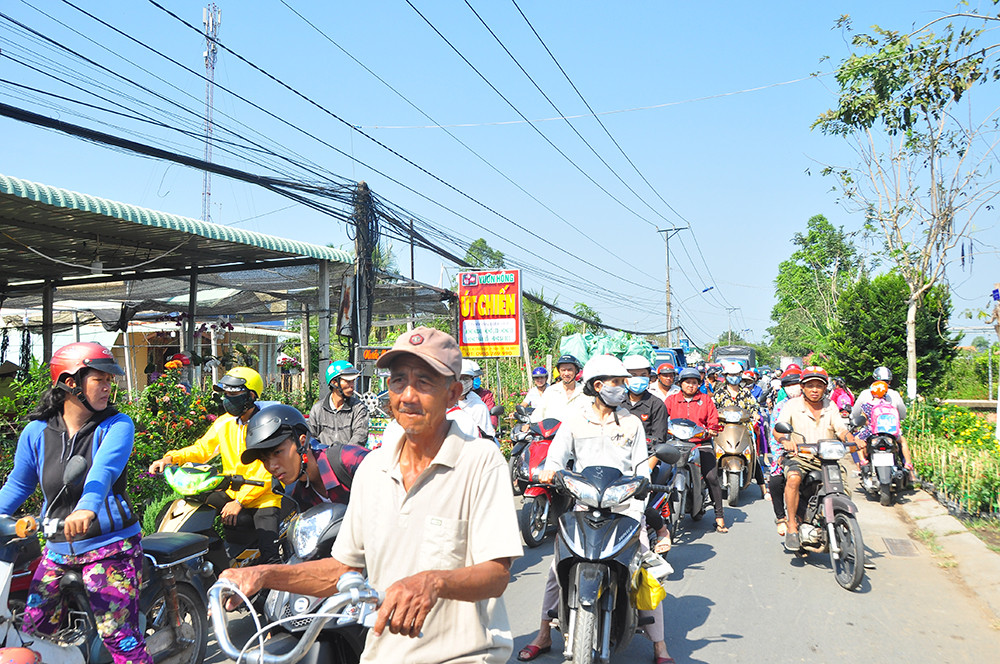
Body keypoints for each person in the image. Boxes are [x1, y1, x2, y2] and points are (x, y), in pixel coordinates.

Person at [218, 327, 522, 663]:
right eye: (398, 381)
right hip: (381, 653)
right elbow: (341, 570)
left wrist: (435, 582)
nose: (407, 395)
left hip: (463, 655)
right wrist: (263, 575)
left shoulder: (480, 461)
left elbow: (496, 575)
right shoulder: (374, 469)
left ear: (451, 395)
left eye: (424, 382)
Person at [0, 342, 153, 664]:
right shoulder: (35, 432)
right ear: (71, 382)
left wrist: (87, 508)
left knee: (118, 636)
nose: (109, 387)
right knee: (33, 626)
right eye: (100, 379)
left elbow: (103, 471)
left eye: (110, 381)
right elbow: (19, 483)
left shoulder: (117, 425)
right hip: (57, 548)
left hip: (110, 547)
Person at [519, 355, 673, 664]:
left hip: (625, 507)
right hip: (584, 505)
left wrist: (642, 487)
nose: (623, 388)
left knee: (644, 571)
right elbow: (556, 457)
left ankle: (660, 646)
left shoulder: (631, 423)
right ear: (599, 385)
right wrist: (551, 472)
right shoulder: (575, 421)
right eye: (617, 382)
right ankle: (543, 633)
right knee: (555, 571)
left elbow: (642, 467)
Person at [149, 367, 282, 564]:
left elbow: (269, 471)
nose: (227, 399)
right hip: (232, 489)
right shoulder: (224, 423)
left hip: (263, 496)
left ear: (251, 395)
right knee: (194, 504)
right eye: (225, 394)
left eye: (233, 394)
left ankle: (272, 584)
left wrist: (240, 502)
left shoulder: (266, 423)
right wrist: (170, 459)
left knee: (269, 550)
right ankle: (218, 560)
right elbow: (202, 450)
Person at [775, 366, 858, 549]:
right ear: (802, 387)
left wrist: (852, 439)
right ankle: (792, 526)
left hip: (827, 459)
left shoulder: (831, 406)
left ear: (824, 388)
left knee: (843, 489)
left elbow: (841, 429)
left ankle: (844, 529)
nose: (814, 390)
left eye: (818, 386)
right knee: (793, 478)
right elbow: (777, 429)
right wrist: (785, 440)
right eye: (810, 385)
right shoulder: (792, 406)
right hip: (799, 456)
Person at [243, 403, 369, 509]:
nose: (271, 466)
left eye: (277, 452)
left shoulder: (351, 460)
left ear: (302, 442)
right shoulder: (299, 496)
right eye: (264, 460)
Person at [664, 367, 727, 533]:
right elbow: (663, 417)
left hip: (701, 443)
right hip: (676, 443)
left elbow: (713, 420)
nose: (691, 386)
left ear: (699, 384)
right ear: (680, 384)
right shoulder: (671, 400)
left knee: (712, 476)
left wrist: (711, 429)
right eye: (687, 382)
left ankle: (719, 516)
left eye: (694, 382)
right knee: (661, 474)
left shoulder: (705, 400)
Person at [713, 361, 768, 500]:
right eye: (731, 375)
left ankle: (763, 489)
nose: (734, 377)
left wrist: (756, 414)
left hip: (743, 428)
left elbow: (754, 407)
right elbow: (712, 409)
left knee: (753, 454)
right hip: (722, 429)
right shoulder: (719, 393)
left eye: (736, 374)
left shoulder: (746, 394)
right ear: (726, 376)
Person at [855, 380, 915, 481]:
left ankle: (862, 461)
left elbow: (864, 419)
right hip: (889, 431)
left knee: (857, 439)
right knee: (903, 441)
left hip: (872, 431)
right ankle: (908, 463)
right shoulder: (889, 405)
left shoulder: (867, 405)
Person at [766, 368, 802, 536]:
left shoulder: (818, 404)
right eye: (790, 384)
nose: (794, 387)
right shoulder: (781, 406)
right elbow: (776, 433)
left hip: (812, 452)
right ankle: (781, 517)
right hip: (787, 453)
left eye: (797, 383)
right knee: (775, 480)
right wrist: (780, 453)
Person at [308, 360, 369, 448]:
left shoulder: (359, 408)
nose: (352, 385)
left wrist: (343, 454)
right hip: (323, 459)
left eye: (353, 381)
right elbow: (310, 437)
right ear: (334, 382)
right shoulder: (317, 409)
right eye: (348, 381)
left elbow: (360, 436)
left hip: (349, 459)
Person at [535, 354, 586, 422]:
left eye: (570, 370)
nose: (566, 373)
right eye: (563, 370)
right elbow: (538, 413)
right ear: (559, 371)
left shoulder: (584, 391)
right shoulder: (550, 391)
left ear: (576, 371)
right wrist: (528, 424)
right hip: (553, 432)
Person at [458, 359, 495, 438]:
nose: (462, 383)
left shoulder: (478, 407)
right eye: (458, 378)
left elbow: (487, 436)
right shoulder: (441, 404)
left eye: (466, 379)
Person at [468, 360, 499, 430]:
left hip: (481, 431)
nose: (477, 379)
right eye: (474, 377)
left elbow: (491, 412)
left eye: (477, 377)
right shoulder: (455, 396)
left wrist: (492, 426)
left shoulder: (486, 394)